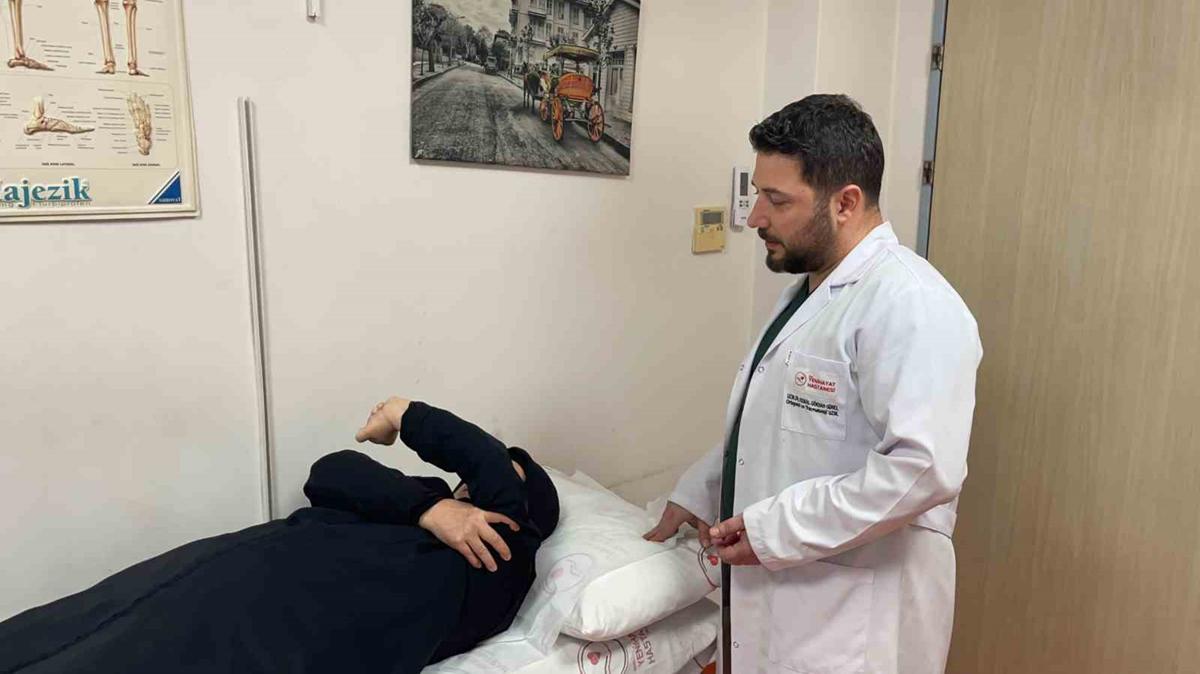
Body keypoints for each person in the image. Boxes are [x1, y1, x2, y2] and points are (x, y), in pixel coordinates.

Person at [644, 94, 982, 674]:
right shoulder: (808, 294)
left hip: (854, 629)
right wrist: (701, 488)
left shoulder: (912, 304)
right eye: (758, 194)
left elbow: (923, 469)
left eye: (777, 200)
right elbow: (778, 430)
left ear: (845, 202)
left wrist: (776, 529)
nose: (755, 217)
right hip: (786, 612)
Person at [0, 397, 559, 674]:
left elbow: (484, 456)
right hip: (224, 569)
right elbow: (331, 471)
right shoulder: (417, 499)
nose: (476, 480)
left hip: (273, 634)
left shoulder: (504, 554)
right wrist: (428, 505)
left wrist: (405, 412)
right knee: (61, 627)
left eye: (506, 475)